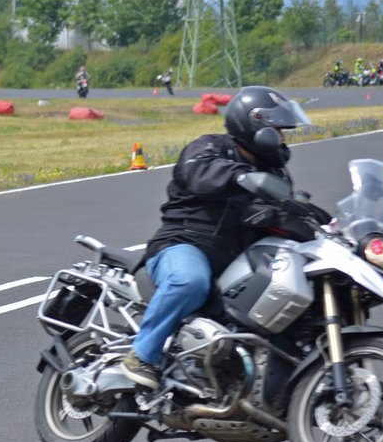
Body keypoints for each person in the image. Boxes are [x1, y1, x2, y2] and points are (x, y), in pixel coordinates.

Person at [120, 86, 310, 389]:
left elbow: (279, 210)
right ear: (256, 126)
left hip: (233, 260)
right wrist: (240, 176)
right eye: (278, 130)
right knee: (190, 280)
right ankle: (141, 356)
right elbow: (200, 173)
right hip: (184, 244)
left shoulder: (274, 172)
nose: (283, 138)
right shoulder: (210, 148)